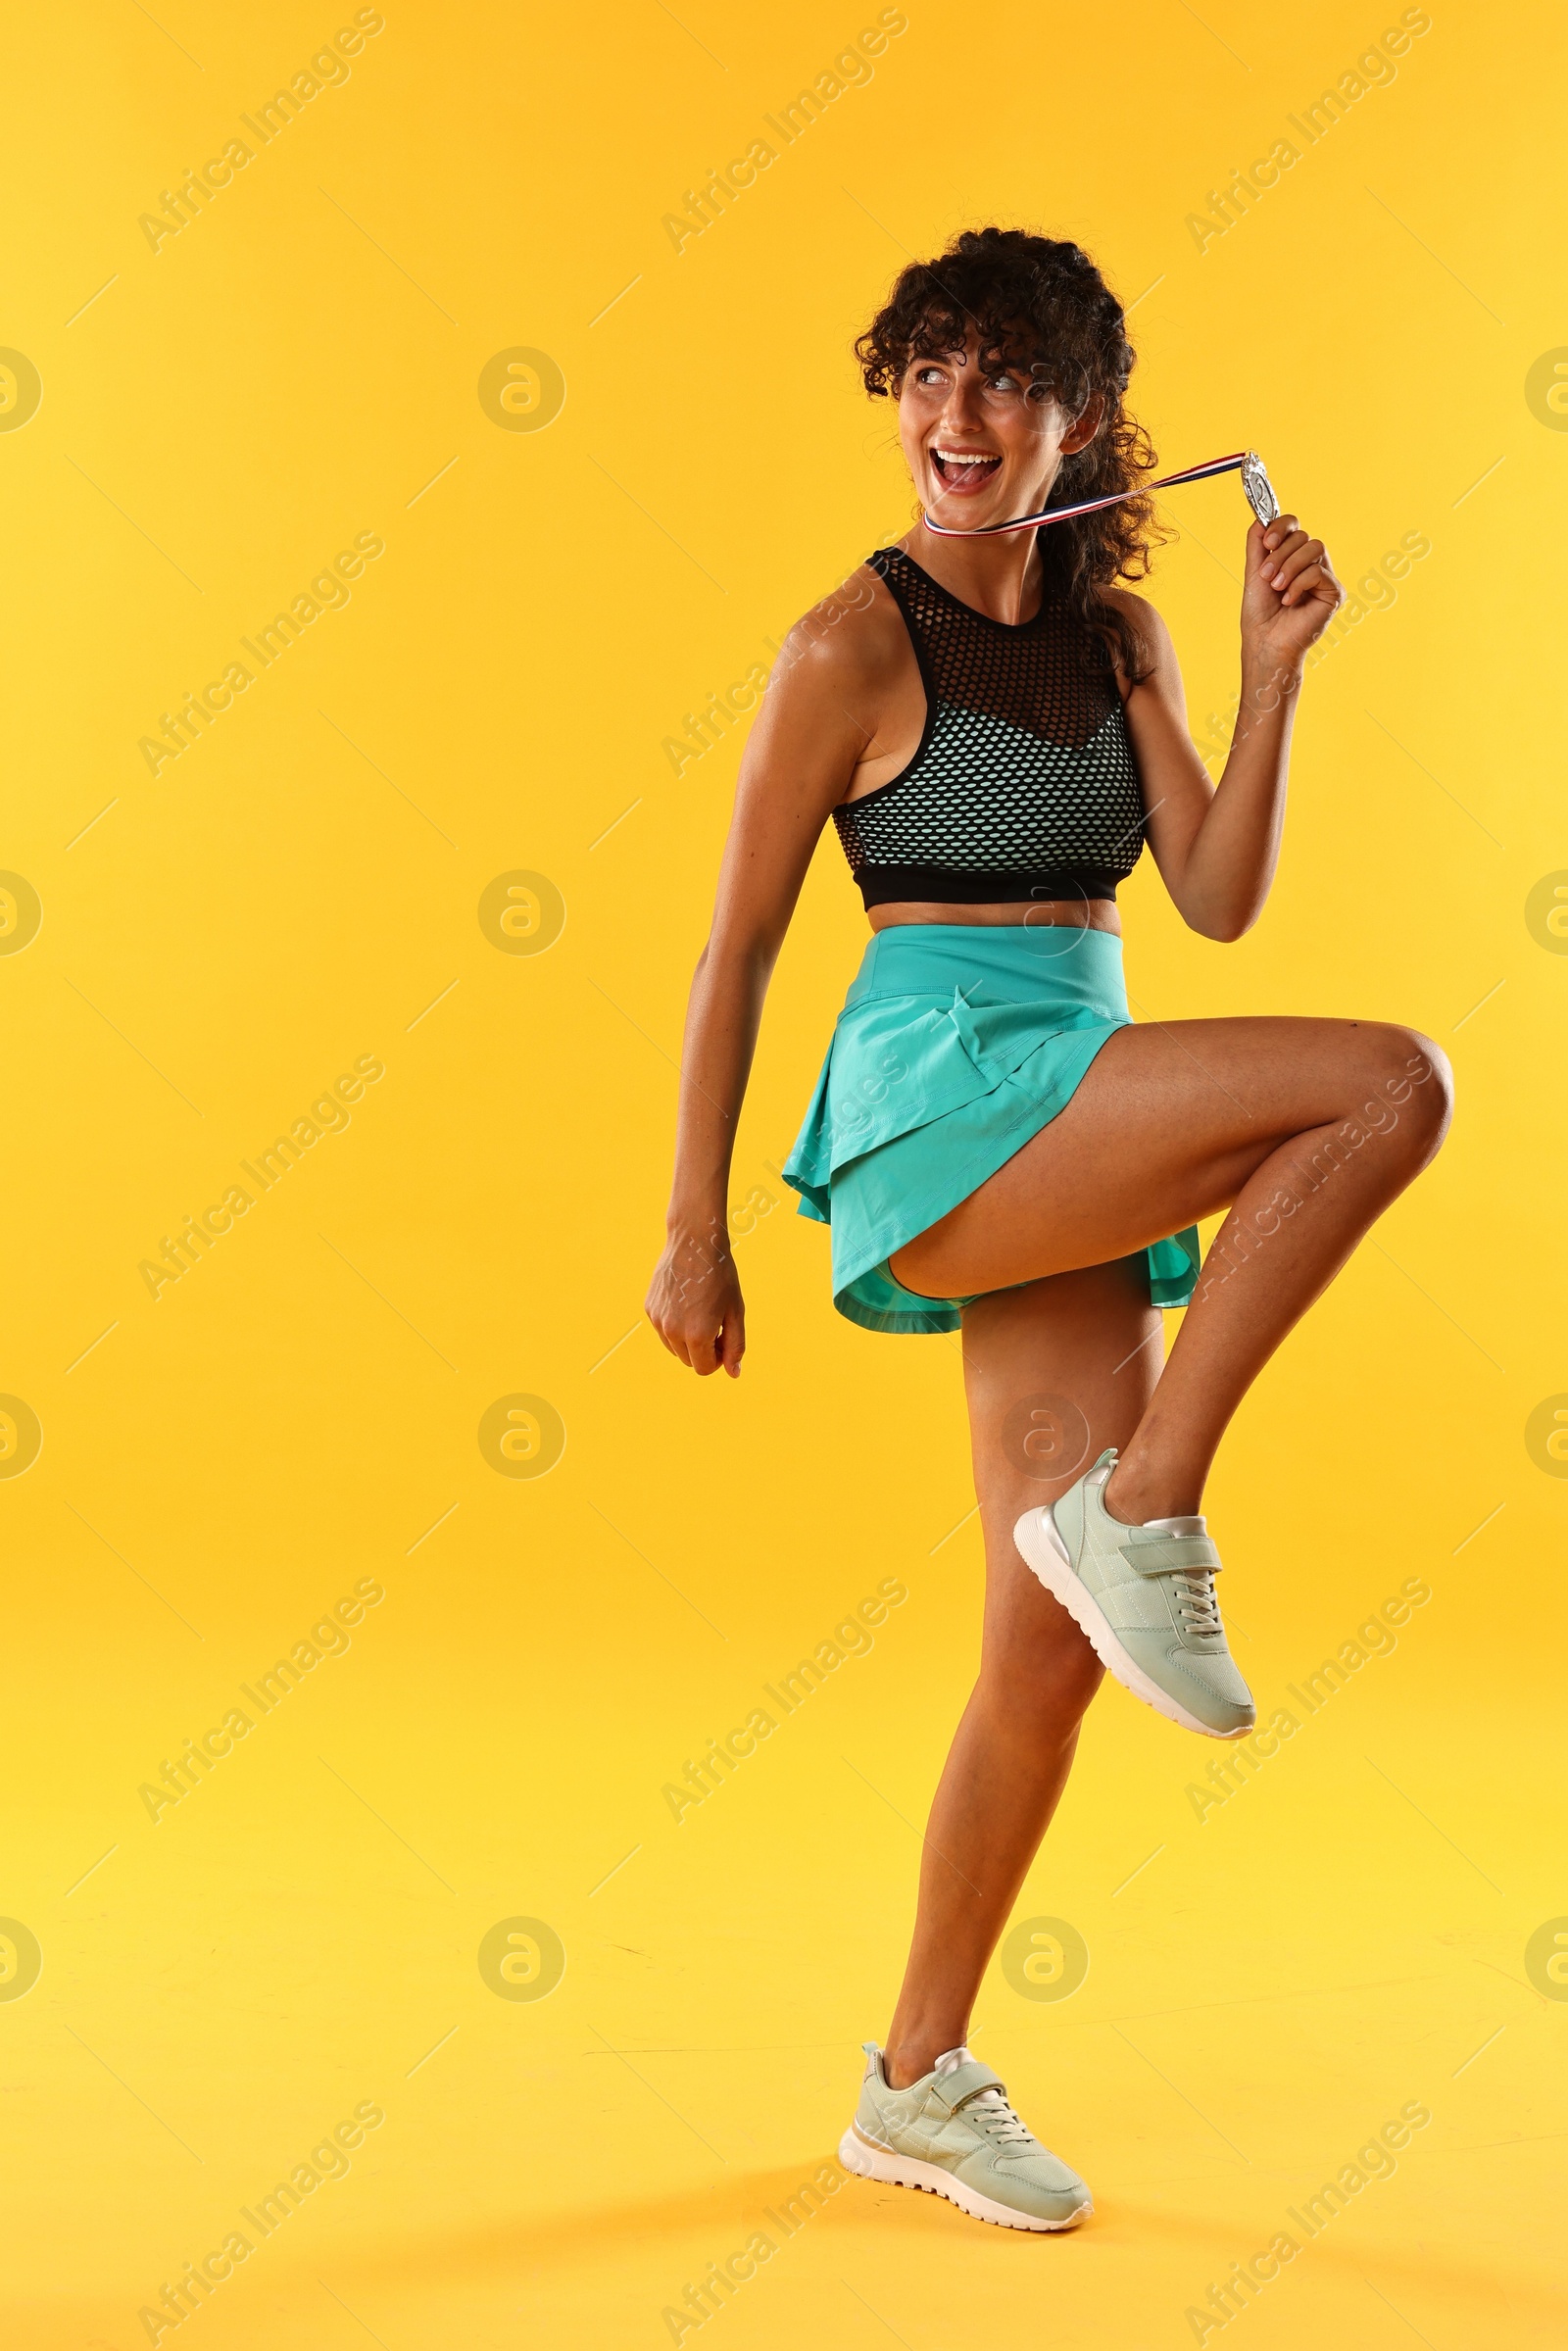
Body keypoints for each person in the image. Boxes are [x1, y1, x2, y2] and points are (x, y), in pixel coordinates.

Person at [644, 225, 1451, 2232]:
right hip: (943, 1099)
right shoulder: (847, 643)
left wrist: (1266, 684)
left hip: (1076, 1092)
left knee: (1041, 1649)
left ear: (1082, 421)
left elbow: (1215, 892)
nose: (953, 415)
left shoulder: (1115, 638)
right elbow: (735, 950)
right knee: (1386, 1081)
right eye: (925, 373)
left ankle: (910, 2081)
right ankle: (1153, 1499)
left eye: (1002, 379)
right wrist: (690, 1228)